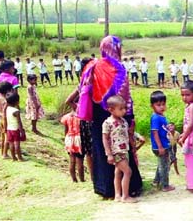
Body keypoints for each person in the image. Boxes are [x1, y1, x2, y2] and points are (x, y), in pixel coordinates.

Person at [77, 36, 143, 199]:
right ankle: (130, 187)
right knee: (123, 150)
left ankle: (105, 188)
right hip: (118, 114)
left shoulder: (91, 66)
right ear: (117, 48)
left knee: (102, 150)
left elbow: (83, 90)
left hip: (98, 116)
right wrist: (128, 116)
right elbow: (125, 96)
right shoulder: (119, 69)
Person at [101, 96, 138, 203]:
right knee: (128, 171)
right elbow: (105, 138)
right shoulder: (108, 123)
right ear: (111, 110)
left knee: (118, 172)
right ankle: (125, 196)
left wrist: (133, 145)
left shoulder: (124, 121)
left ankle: (118, 195)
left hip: (124, 150)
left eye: (124, 108)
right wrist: (109, 154)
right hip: (116, 151)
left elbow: (127, 135)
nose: (124, 111)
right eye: (121, 109)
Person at [149, 91, 175, 192]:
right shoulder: (155, 117)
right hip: (160, 146)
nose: (161, 107)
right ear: (152, 106)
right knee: (164, 166)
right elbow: (155, 133)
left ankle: (156, 181)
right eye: (158, 105)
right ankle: (165, 186)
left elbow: (162, 129)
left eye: (163, 104)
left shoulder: (161, 116)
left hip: (164, 144)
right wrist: (160, 147)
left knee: (162, 164)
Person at [61, 107, 84, 182]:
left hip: (69, 138)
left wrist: (66, 139)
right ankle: (82, 179)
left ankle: (74, 179)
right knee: (80, 161)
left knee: (72, 160)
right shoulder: (81, 116)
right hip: (78, 139)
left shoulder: (66, 117)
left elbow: (66, 130)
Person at [4, 92, 25, 162]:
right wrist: (22, 131)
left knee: (11, 143)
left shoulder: (7, 109)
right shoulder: (16, 111)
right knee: (17, 144)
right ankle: (20, 158)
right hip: (15, 130)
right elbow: (19, 122)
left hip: (9, 129)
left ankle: (13, 158)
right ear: (17, 102)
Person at [0, 82, 13, 158]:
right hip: (6, 121)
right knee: (7, 138)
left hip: (0, 121)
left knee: (2, 138)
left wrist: (1, 114)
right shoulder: (7, 100)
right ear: (8, 90)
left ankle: (2, 152)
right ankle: (5, 154)